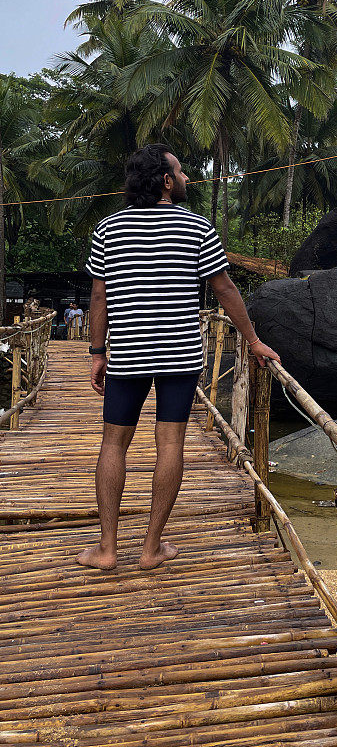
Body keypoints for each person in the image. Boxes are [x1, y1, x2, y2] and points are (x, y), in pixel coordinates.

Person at [78, 144, 280, 571]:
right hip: (180, 355)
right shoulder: (197, 227)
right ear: (167, 181)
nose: (188, 178)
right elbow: (224, 288)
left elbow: (100, 295)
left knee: (114, 443)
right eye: (182, 172)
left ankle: (107, 548)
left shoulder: (107, 229)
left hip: (128, 352)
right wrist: (253, 340)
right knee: (170, 443)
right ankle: (151, 547)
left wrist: (98, 352)